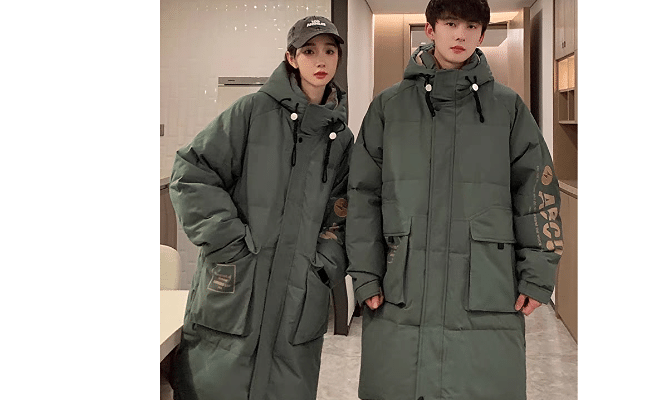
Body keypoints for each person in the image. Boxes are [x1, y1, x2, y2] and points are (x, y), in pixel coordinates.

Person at [346, 0, 564, 398]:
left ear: (482, 34)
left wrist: (538, 274)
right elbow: (363, 195)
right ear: (431, 30)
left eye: (471, 25)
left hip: (486, 286)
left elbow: (537, 192)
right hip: (402, 283)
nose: (460, 34)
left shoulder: (508, 108)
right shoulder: (389, 106)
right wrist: (364, 271)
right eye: (450, 23)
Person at [168, 15, 353, 400]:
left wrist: (322, 267)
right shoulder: (252, 112)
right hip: (238, 283)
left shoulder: (341, 139)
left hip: (299, 292)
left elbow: (344, 213)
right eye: (309, 51)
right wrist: (229, 242)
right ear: (291, 58)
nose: (321, 59)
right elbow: (192, 170)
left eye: (329, 51)